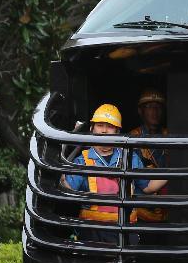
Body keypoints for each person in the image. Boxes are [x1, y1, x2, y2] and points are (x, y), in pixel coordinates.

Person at [62, 104, 167, 244]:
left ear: (117, 131)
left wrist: (172, 171)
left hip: (125, 233)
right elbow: (70, 190)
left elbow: (148, 187)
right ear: (92, 129)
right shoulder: (82, 160)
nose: (104, 131)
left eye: (110, 126)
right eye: (100, 125)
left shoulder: (130, 158)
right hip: (92, 234)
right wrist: (61, 179)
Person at [129, 88, 169, 223]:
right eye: (150, 107)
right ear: (141, 111)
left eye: (158, 107)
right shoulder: (132, 138)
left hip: (168, 205)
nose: (155, 112)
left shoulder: (170, 135)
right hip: (143, 209)